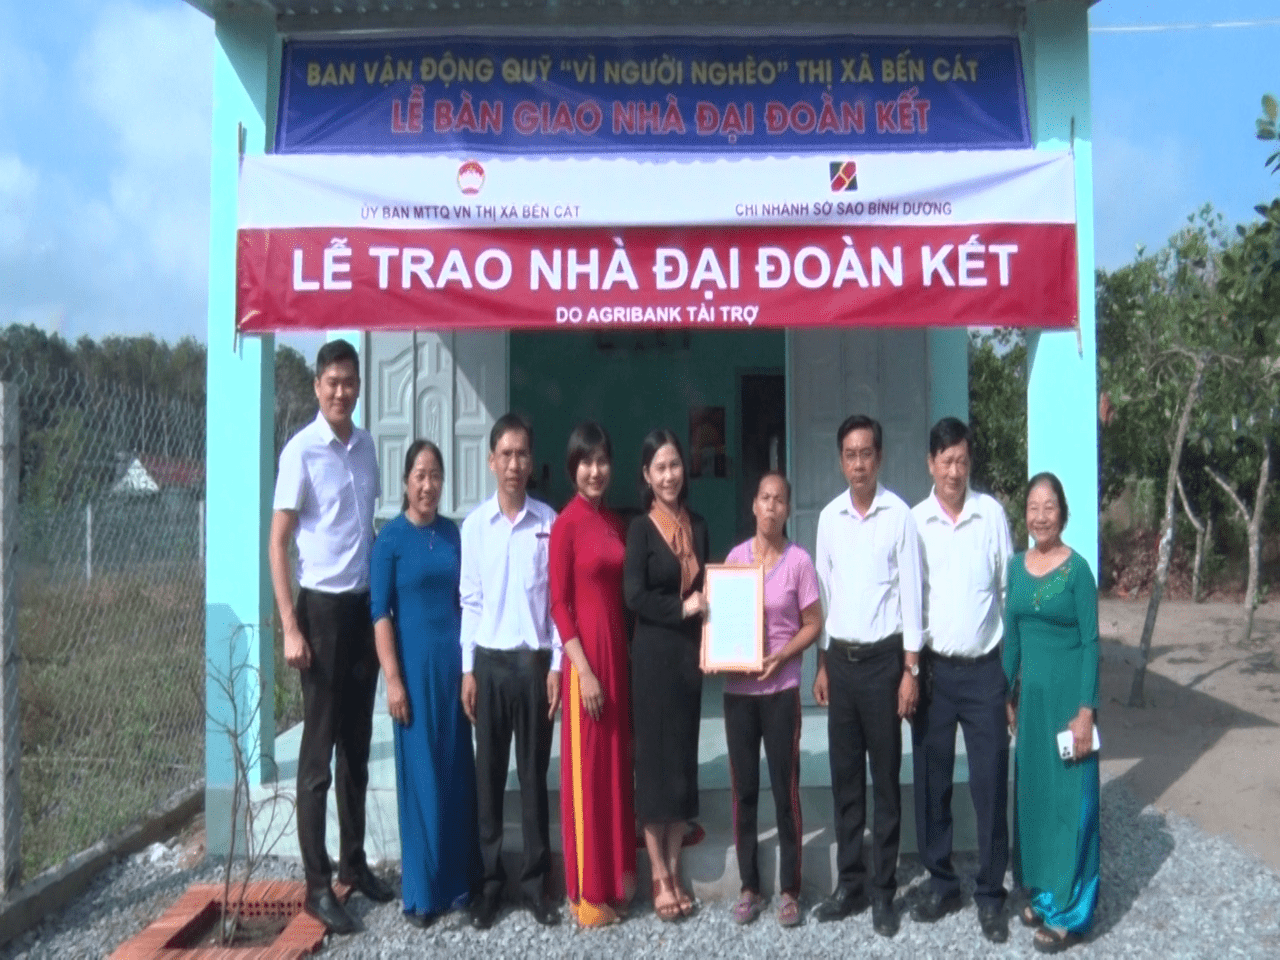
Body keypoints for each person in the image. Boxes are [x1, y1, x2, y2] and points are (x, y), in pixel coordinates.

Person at [268, 340, 394, 934]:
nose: (341, 391)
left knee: (357, 748)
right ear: (317, 386)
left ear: (359, 386)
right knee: (317, 757)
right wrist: (290, 626)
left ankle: (353, 862)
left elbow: (362, 526)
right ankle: (317, 886)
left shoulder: (366, 447)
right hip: (318, 611)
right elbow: (278, 542)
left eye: (349, 382)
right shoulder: (301, 451)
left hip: (361, 610)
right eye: (331, 382)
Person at [812, 414, 922, 938]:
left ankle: (883, 891)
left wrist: (910, 670)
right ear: (842, 461)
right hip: (841, 663)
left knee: (885, 783)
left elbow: (912, 598)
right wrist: (821, 664)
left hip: (884, 665)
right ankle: (850, 884)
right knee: (846, 780)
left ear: (879, 457)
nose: (858, 463)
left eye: (866, 453)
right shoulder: (829, 518)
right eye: (850, 455)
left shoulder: (899, 516)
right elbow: (822, 596)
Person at [909, 418, 1014, 944]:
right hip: (933, 672)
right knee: (933, 782)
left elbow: (1007, 589)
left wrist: (1011, 674)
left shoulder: (989, 513)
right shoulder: (915, 521)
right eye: (946, 460)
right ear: (931, 463)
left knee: (990, 781)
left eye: (962, 461)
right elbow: (910, 600)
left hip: (985, 671)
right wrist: (910, 670)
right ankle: (942, 882)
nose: (954, 471)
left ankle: (991, 894)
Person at [370, 440, 481, 928]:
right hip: (412, 675)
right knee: (421, 780)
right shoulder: (390, 540)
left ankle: (459, 884)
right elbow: (380, 614)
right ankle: (421, 893)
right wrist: (393, 680)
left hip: (453, 671)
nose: (428, 485)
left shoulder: (453, 534)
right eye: (420, 475)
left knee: (456, 773)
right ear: (405, 482)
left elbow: (468, 601)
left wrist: (471, 669)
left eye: (435, 475)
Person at [459, 413, 562, 929]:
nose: (514, 464)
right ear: (491, 461)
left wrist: (557, 664)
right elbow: (471, 601)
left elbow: (558, 603)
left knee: (533, 776)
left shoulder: (549, 523)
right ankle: (489, 886)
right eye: (506, 454)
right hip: (490, 663)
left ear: (531, 461)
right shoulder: (475, 527)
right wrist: (468, 669)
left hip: (535, 665)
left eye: (522, 454)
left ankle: (536, 885)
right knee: (490, 778)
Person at [1004, 472, 1100, 954]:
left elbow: (1091, 643)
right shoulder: (1016, 568)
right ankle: (1043, 894)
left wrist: (1086, 711)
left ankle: (1070, 911)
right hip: (1032, 708)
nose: (1040, 516)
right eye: (1033, 507)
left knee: (1068, 805)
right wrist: (1005, 692)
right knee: (1036, 801)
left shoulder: (1078, 571)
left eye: (1049, 507)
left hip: (1068, 708)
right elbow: (1012, 636)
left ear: (1063, 513)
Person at [721, 472, 822, 928]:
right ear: (754, 505)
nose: (771, 506)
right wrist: (716, 647)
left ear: (787, 509)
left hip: (781, 692)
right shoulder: (735, 559)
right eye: (765, 497)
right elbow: (722, 619)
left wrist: (783, 655)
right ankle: (749, 887)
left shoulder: (799, 562)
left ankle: (789, 890)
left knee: (786, 791)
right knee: (743, 792)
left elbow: (813, 622)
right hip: (739, 694)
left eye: (780, 499)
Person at [549, 421, 637, 928]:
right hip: (586, 662)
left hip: (616, 659)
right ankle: (586, 892)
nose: (595, 470)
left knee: (613, 770)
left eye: (602, 460)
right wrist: (581, 669)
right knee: (586, 774)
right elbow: (559, 604)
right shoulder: (567, 524)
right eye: (586, 461)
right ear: (573, 468)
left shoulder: (614, 523)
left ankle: (614, 879)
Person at [623, 429, 709, 922]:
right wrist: (682, 608)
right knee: (655, 768)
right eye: (660, 467)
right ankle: (658, 874)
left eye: (675, 464)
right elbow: (634, 595)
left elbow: (711, 589)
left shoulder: (698, 525)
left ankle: (675, 867)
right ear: (647, 475)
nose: (669, 475)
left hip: (688, 658)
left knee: (681, 765)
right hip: (653, 659)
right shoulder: (640, 529)